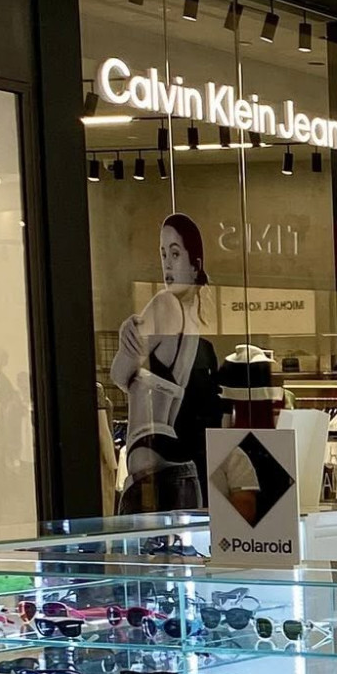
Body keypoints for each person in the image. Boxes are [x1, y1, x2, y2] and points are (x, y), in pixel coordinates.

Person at [110, 213, 222, 512]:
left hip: (150, 472)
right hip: (182, 472)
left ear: (195, 264)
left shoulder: (164, 304)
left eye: (175, 254)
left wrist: (126, 340)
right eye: (163, 255)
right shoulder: (193, 327)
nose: (167, 265)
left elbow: (119, 373)